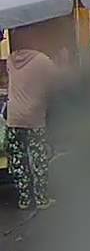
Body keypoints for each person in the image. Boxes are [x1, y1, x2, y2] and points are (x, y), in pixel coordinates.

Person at [5, 27, 69, 210]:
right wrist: (63, 61)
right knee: (38, 158)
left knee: (19, 160)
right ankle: (41, 199)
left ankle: (24, 199)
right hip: (34, 117)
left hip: (13, 117)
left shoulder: (10, 60)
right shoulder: (42, 60)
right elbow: (59, 81)